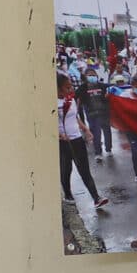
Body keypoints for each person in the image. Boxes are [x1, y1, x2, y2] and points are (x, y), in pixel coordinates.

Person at [57, 73, 109, 209]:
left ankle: (96, 198)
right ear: (57, 89)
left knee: (84, 169)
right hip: (64, 142)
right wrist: (60, 135)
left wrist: (85, 129)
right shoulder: (53, 104)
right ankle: (68, 194)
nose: (70, 90)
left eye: (70, 87)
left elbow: (75, 117)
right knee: (66, 168)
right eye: (67, 87)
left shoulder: (70, 99)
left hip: (76, 139)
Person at [76, 67, 113, 162]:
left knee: (107, 131)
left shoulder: (103, 86)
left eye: (94, 75)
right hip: (91, 114)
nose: (92, 76)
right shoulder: (82, 88)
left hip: (104, 112)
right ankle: (98, 153)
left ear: (97, 75)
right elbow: (76, 98)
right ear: (85, 77)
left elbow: (113, 88)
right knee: (95, 133)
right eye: (90, 75)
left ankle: (108, 149)